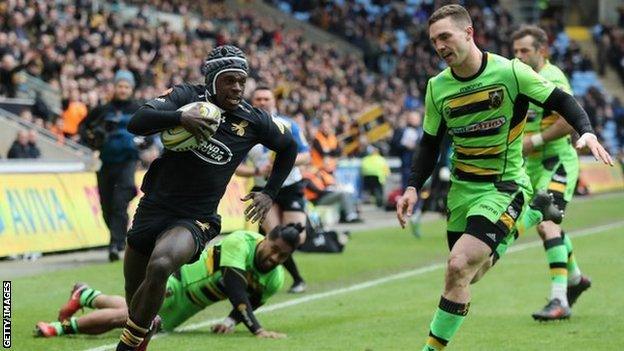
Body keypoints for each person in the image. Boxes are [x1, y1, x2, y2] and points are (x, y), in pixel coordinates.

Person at [395, 5, 613, 351]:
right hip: (462, 193)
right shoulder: (437, 88)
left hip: (503, 188)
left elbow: (562, 100)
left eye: (446, 37)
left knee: (458, 264)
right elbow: (429, 144)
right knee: (469, 275)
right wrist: (411, 186)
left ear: (469, 33)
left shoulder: (511, 73)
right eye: (434, 40)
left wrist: (585, 131)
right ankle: (530, 216)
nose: (439, 46)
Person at [114, 45, 297, 351]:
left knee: (160, 267)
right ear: (212, 79)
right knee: (136, 298)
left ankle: (127, 347)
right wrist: (179, 117)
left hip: (196, 218)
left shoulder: (252, 120)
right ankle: (142, 332)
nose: (237, 87)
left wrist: (270, 192)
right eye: (230, 80)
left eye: (242, 80)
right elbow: (138, 121)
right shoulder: (186, 96)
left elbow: (289, 147)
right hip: (154, 207)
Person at [35, 225, 302, 340]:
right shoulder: (242, 242)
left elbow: (250, 302)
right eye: (274, 249)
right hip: (179, 278)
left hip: (188, 307)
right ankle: (58, 329)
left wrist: (232, 321)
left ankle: (86, 295)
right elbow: (235, 286)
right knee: (135, 317)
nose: (275, 257)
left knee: (142, 317)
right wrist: (257, 330)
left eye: (283, 256)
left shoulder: (275, 279)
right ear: (266, 238)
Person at [511, 25, 592, 320]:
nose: (518, 56)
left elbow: (570, 120)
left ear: (541, 51)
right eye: (516, 51)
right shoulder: (519, 78)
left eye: (525, 51)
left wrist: (535, 140)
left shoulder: (553, 78)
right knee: (549, 227)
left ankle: (560, 301)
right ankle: (576, 279)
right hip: (531, 166)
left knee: (547, 224)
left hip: (556, 162)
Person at [236, 86, 310, 293]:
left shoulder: (290, 125)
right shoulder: (244, 129)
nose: (262, 102)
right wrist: (256, 170)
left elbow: (306, 156)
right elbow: (236, 168)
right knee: (275, 236)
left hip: (290, 185)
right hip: (262, 188)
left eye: (266, 98)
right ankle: (294, 279)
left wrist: (284, 161)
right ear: (252, 102)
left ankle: (285, 274)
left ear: (274, 101)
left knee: (298, 238)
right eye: (258, 98)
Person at [79, 70, 142, 262]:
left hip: (128, 163)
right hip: (106, 163)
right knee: (106, 206)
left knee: (119, 203)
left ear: (131, 89)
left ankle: (115, 244)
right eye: (120, 86)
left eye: (126, 87)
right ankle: (119, 237)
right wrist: (92, 141)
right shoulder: (103, 109)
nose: (123, 90)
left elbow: (151, 131)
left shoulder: (139, 109)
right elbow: (83, 127)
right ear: (114, 87)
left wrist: (145, 144)